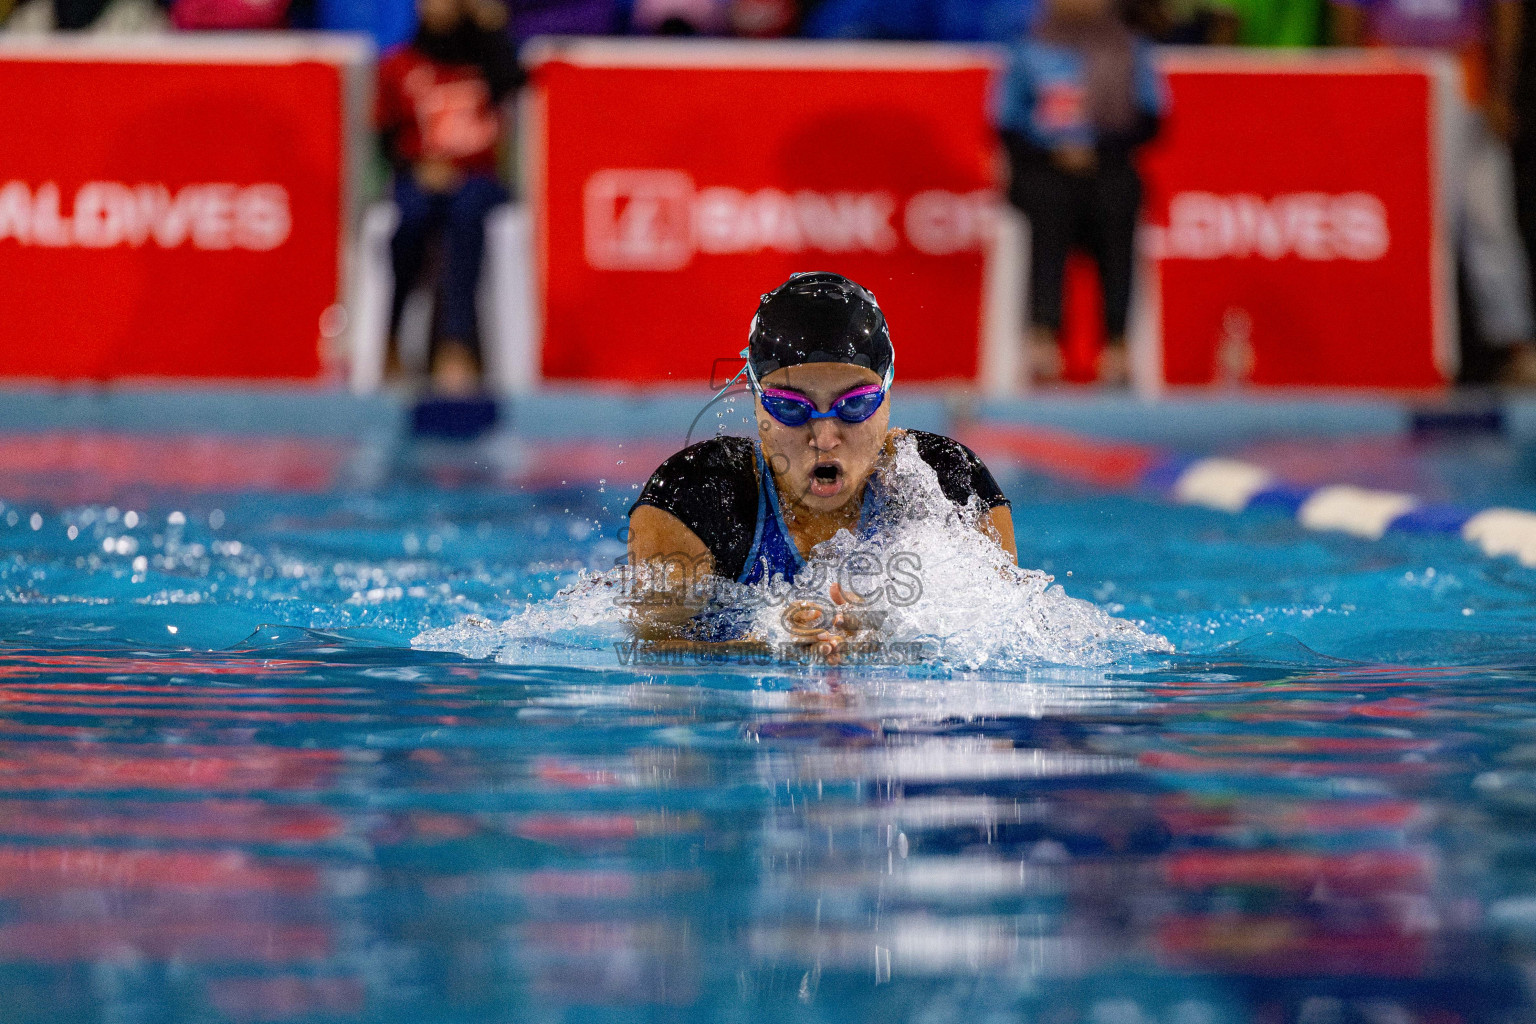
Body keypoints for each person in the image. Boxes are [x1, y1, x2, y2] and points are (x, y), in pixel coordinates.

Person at [626, 272, 1017, 652]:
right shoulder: (693, 500)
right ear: (758, 404)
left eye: (856, 403)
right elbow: (648, 653)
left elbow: (1004, 637)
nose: (825, 437)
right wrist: (770, 649)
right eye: (790, 407)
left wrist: (894, 639)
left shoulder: (949, 486)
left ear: (887, 399)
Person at [1332, 0, 1536, 384]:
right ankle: (1414, 348)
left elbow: (1507, 10)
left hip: (1464, 76)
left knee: (1486, 216)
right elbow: (1349, 15)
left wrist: (1501, 91)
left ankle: (1516, 344)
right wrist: (1355, 89)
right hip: (1389, 78)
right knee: (1413, 222)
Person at [995, 0, 1165, 386]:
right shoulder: (1028, 48)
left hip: (1107, 164)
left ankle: (1118, 345)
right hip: (1045, 169)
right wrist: (1055, 151)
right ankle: (1043, 339)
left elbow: (1152, 121)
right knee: (1050, 205)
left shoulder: (1129, 49)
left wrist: (1098, 149)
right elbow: (1006, 124)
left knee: (1118, 203)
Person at [375, 0, 521, 393]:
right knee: (410, 216)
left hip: (478, 179)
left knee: (466, 213)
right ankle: (390, 336)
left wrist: (490, 26)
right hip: (419, 177)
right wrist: (416, 166)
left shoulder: (485, 62)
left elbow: (514, 85)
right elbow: (385, 142)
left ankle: (456, 346)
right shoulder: (399, 65)